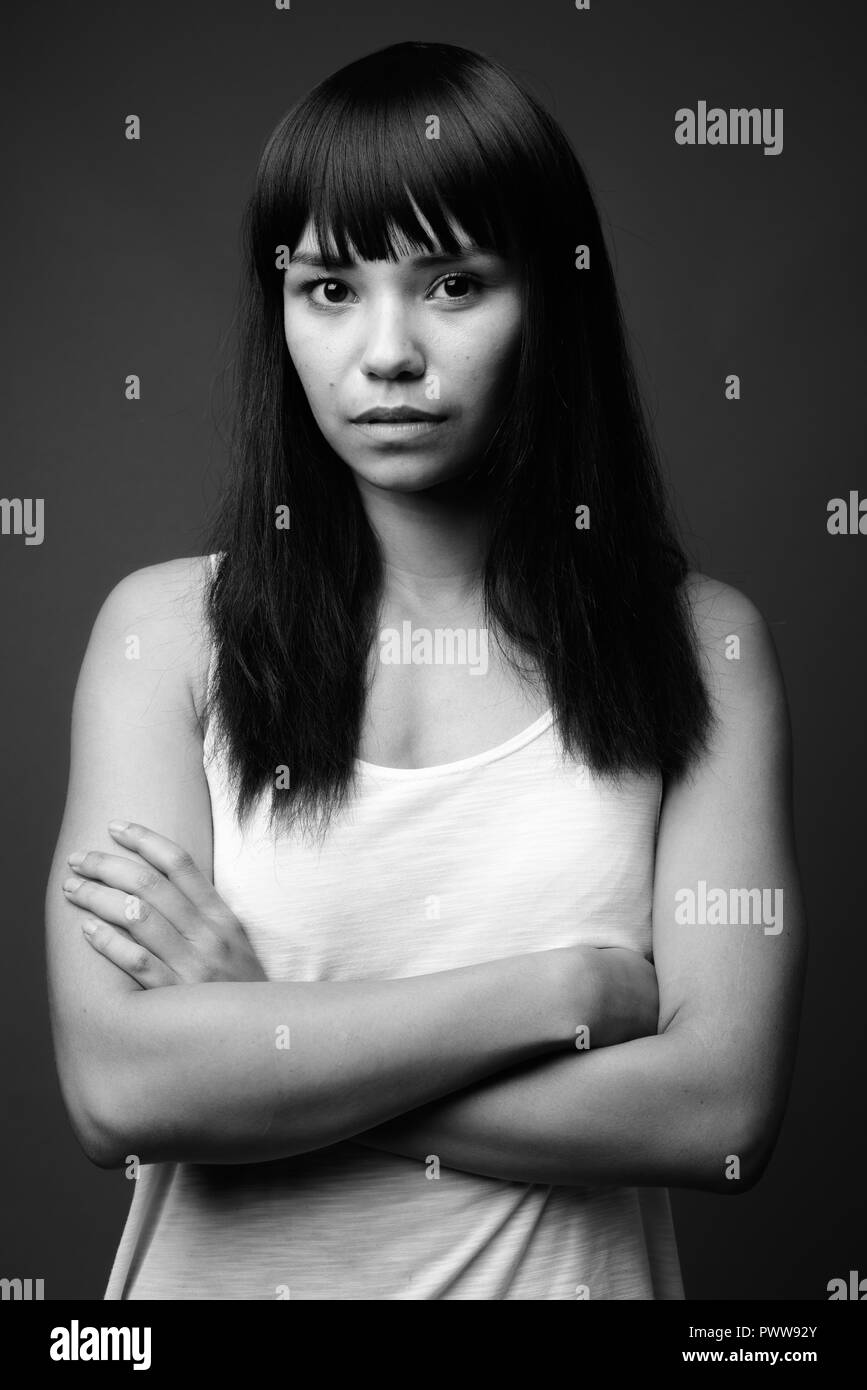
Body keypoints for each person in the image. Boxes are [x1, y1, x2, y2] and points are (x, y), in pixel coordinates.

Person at [45, 40, 806, 1300]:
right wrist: (556, 990)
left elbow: (720, 1120)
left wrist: (270, 1045)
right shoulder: (168, 636)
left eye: (452, 283)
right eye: (330, 288)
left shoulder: (704, 650)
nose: (386, 352)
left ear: (549, 299)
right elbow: (120, 1090)